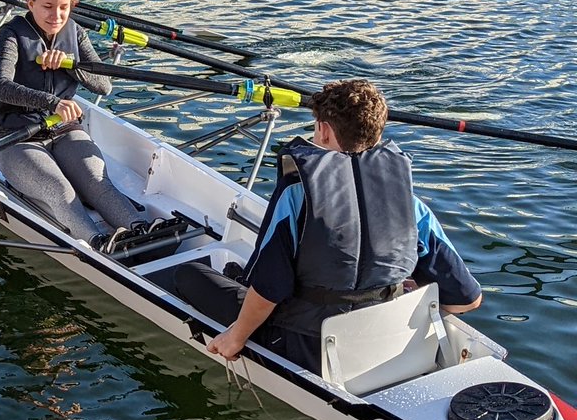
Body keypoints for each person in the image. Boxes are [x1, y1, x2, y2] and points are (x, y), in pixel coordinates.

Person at [172, 79, 482, 372]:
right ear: (377, 134)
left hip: (308, 347)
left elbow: (269, 290)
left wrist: (235, 338)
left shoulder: (297, 196)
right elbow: (467, 299)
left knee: (190, 275)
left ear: (323, 130)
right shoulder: (410, 204)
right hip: (387, 341)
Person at [0, 0, 161, 250]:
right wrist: (51, 102)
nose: (56, 15)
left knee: (98, 183)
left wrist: (72, 64)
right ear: (30, 3)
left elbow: (104, 86)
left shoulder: (76, 33)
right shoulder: (12, 34)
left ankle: (140, 231)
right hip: (16, 136)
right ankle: (98, 245)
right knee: (60, 190)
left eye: (64, 7)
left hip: (65, 130)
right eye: (47, 6)